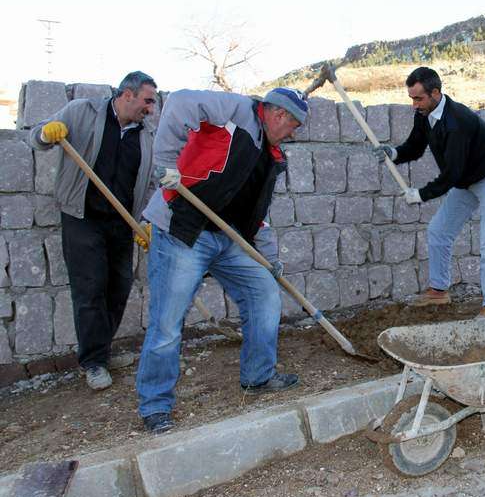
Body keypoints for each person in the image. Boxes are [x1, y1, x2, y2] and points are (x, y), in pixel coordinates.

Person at [135, 87, 307, 434]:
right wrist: (166, 163)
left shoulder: (271, 155)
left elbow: (258, 214)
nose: (293, 134)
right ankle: (155, 406)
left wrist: (269, 260)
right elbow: (182, 101)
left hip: (226, 237)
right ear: (278, 115)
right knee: (167, 322)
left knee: (263, 292)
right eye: (293, 126)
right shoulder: (236, 110)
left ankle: (258, 377)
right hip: (182, 227)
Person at [29, 71, 158, 391]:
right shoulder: (81, 112)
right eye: (147, 101)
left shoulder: (146, 135)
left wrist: (145, 222)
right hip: (82, 217)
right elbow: (36, 138)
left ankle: (101, 350)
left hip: (121, 222)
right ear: (127, 95)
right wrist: (47, 133)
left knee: (119, 287)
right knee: (90, 288)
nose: (151, 108)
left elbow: (149, 183)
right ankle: (94, 362)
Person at [373, 67, 485, 317]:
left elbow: (452, 174)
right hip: (466, 180)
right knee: (438, 231)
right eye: (411, 98)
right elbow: (415, 147)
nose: (414, 105)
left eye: (419, 98)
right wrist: (393, 153)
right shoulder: (424, 113)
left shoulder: (456, 121)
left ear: (436, 93)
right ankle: (438, 291)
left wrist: (421, 194)